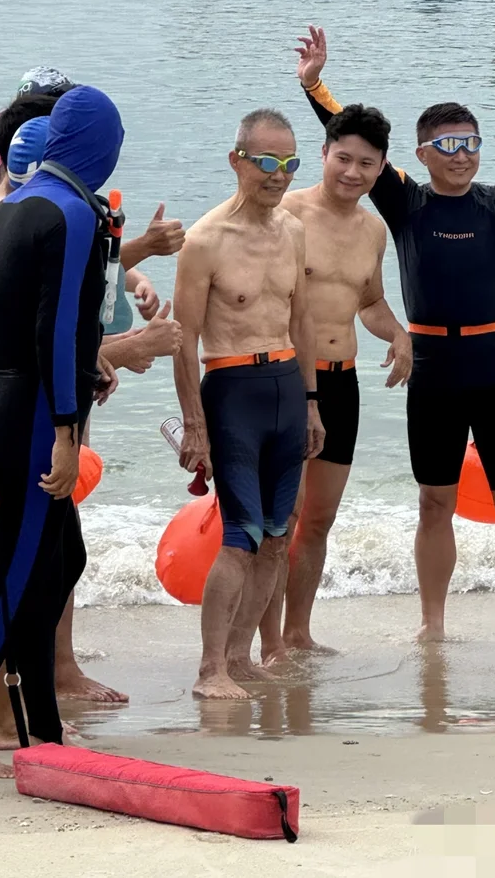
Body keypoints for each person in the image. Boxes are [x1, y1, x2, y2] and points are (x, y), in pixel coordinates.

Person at [298, 24, 495, 648]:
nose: (461, 154)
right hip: (433, 370)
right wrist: (315, 85)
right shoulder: (406, 201)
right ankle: (432, 624)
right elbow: (353, 141)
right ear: (423, 153)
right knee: (433, 501)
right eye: (448, 144)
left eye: (471, 143)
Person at [0, 85, 124, 777]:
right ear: (100, 145)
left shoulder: (11, 204)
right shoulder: (71, 213)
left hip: (1, 402)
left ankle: (43, 732)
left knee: (54, 567)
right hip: (37, 415)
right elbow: (57, 326)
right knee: (12, 579)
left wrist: (79, 372)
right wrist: (67, 431)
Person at [173, 108, 324, 700]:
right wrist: (194, 424)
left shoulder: (293, 230)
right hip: (232, 391)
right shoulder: (205, 240)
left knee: (278, 537)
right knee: (241, 536)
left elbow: (302, 319)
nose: (278, 174)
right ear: (237, 160)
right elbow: (183, 338)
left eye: (288, 163)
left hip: (287, 386)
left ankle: (239, 657)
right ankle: (209, 668)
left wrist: (311, 403)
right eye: (265, 161)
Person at [259, 102, 411, 663]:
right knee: (283, 518)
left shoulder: (374, 229)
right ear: (323, 154)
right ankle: (269, 641)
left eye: (366, 164)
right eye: (342, 159)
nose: (352, 172)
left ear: (381, 168)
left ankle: (298, 632)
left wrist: (399, 334)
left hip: (342, 383)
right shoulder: (286, 215)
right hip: (288, 380)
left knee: (319, 520)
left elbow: (367, 301)